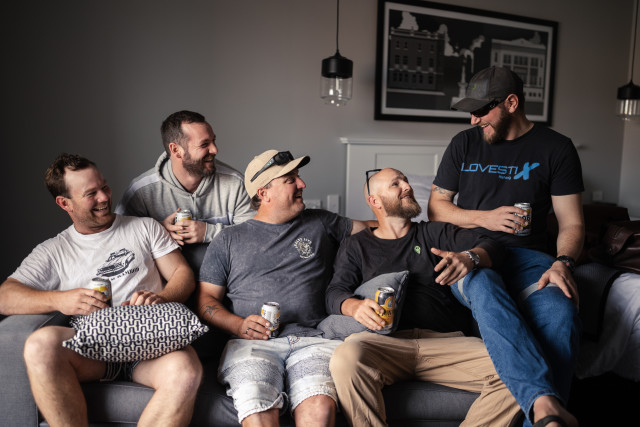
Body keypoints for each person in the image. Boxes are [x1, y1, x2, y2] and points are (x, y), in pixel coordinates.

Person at [428, 66, 584, 425]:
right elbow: (436, 209)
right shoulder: (464, 143)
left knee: (561, 312)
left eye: (481, 110)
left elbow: (572, 223)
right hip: (469, 256)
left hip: (531, 261)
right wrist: (485, 218)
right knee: (484, 285)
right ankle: (543, 404)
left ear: (511, 103)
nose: (473, 119)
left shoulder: (557, 148)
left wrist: (563, 262)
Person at [0, 154, 202, 427]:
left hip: (152, 347)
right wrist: (61, 300)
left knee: (186, 371)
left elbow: (182, 274)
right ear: (64, 203)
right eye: (90, 194)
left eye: (104, 186)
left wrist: (162, 297)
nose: (104, 197)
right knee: (40, 345)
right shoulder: (53, 251)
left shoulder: (143, 227)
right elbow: (5, 296)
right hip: (91, 351)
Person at [326, 167, 523, 426]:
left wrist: (470, 257)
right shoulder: (356, 245)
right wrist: (353, 306)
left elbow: (495, 246)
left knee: (520, 370)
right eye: (396, 184)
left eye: (406, 181)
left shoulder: (435, 233)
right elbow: (334, 292)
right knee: (345, 357)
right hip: (385, 345)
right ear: (375, 201)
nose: (406, 186)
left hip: (446, 343)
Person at [196, 149, 374, 427]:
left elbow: (377, 230)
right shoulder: (228, 240)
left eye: (298, 177)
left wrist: (429, 234)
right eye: (290, 180)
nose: (302, 184)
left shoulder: (321, 222)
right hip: (252, 345)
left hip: (315, 340)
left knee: (319, 408)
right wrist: (238, 325)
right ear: (263, 193)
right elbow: (206, 300)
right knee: (258, 409)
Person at [116, 110, 254, 278]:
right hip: (167, 285)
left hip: (226, 283)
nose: (215, 149)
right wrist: (156, 231)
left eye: (213, 141)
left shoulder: (235, 183)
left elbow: (256, 236)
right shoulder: (141, 191)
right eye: (204, 144)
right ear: (176, 150)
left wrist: (209, 232)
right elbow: (116, 242)